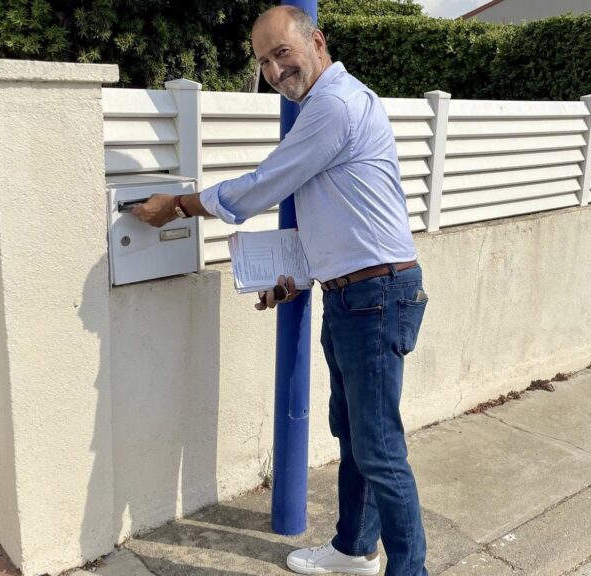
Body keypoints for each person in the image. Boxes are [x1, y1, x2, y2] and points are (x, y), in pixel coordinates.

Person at [132, 6, 429, 575]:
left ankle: (409, 568)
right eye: (264, 61)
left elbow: (264, 185)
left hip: (376, 296)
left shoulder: (333, 105)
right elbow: (340, 213)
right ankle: (354, 549)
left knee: (380, 449)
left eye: (282, 52)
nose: (273, 70)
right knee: (356, 435)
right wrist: (296, 275)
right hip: (356, 294)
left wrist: (180, 205)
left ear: (317, 40)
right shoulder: (329, 103)